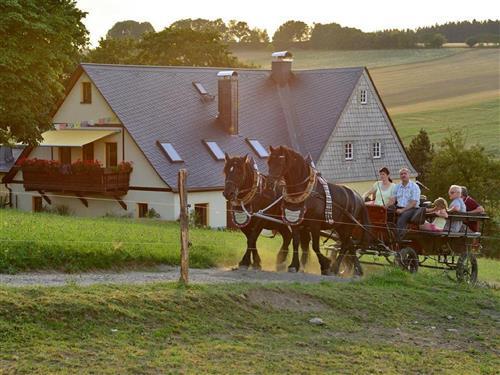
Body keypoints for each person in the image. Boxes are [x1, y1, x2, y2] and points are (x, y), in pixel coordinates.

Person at [391, 167, 421, 241]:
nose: (403, 175)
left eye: (405, 173)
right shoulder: (397, 187)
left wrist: (402, 210)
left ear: (409, 175)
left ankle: (398, 240)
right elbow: (393, 199)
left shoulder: (414, 187)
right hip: (398, 207)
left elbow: (413, 203)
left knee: (402, 218)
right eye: (401, 174)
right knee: (385, 214)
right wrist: (385, 207)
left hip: (412, 209)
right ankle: (387, 236)